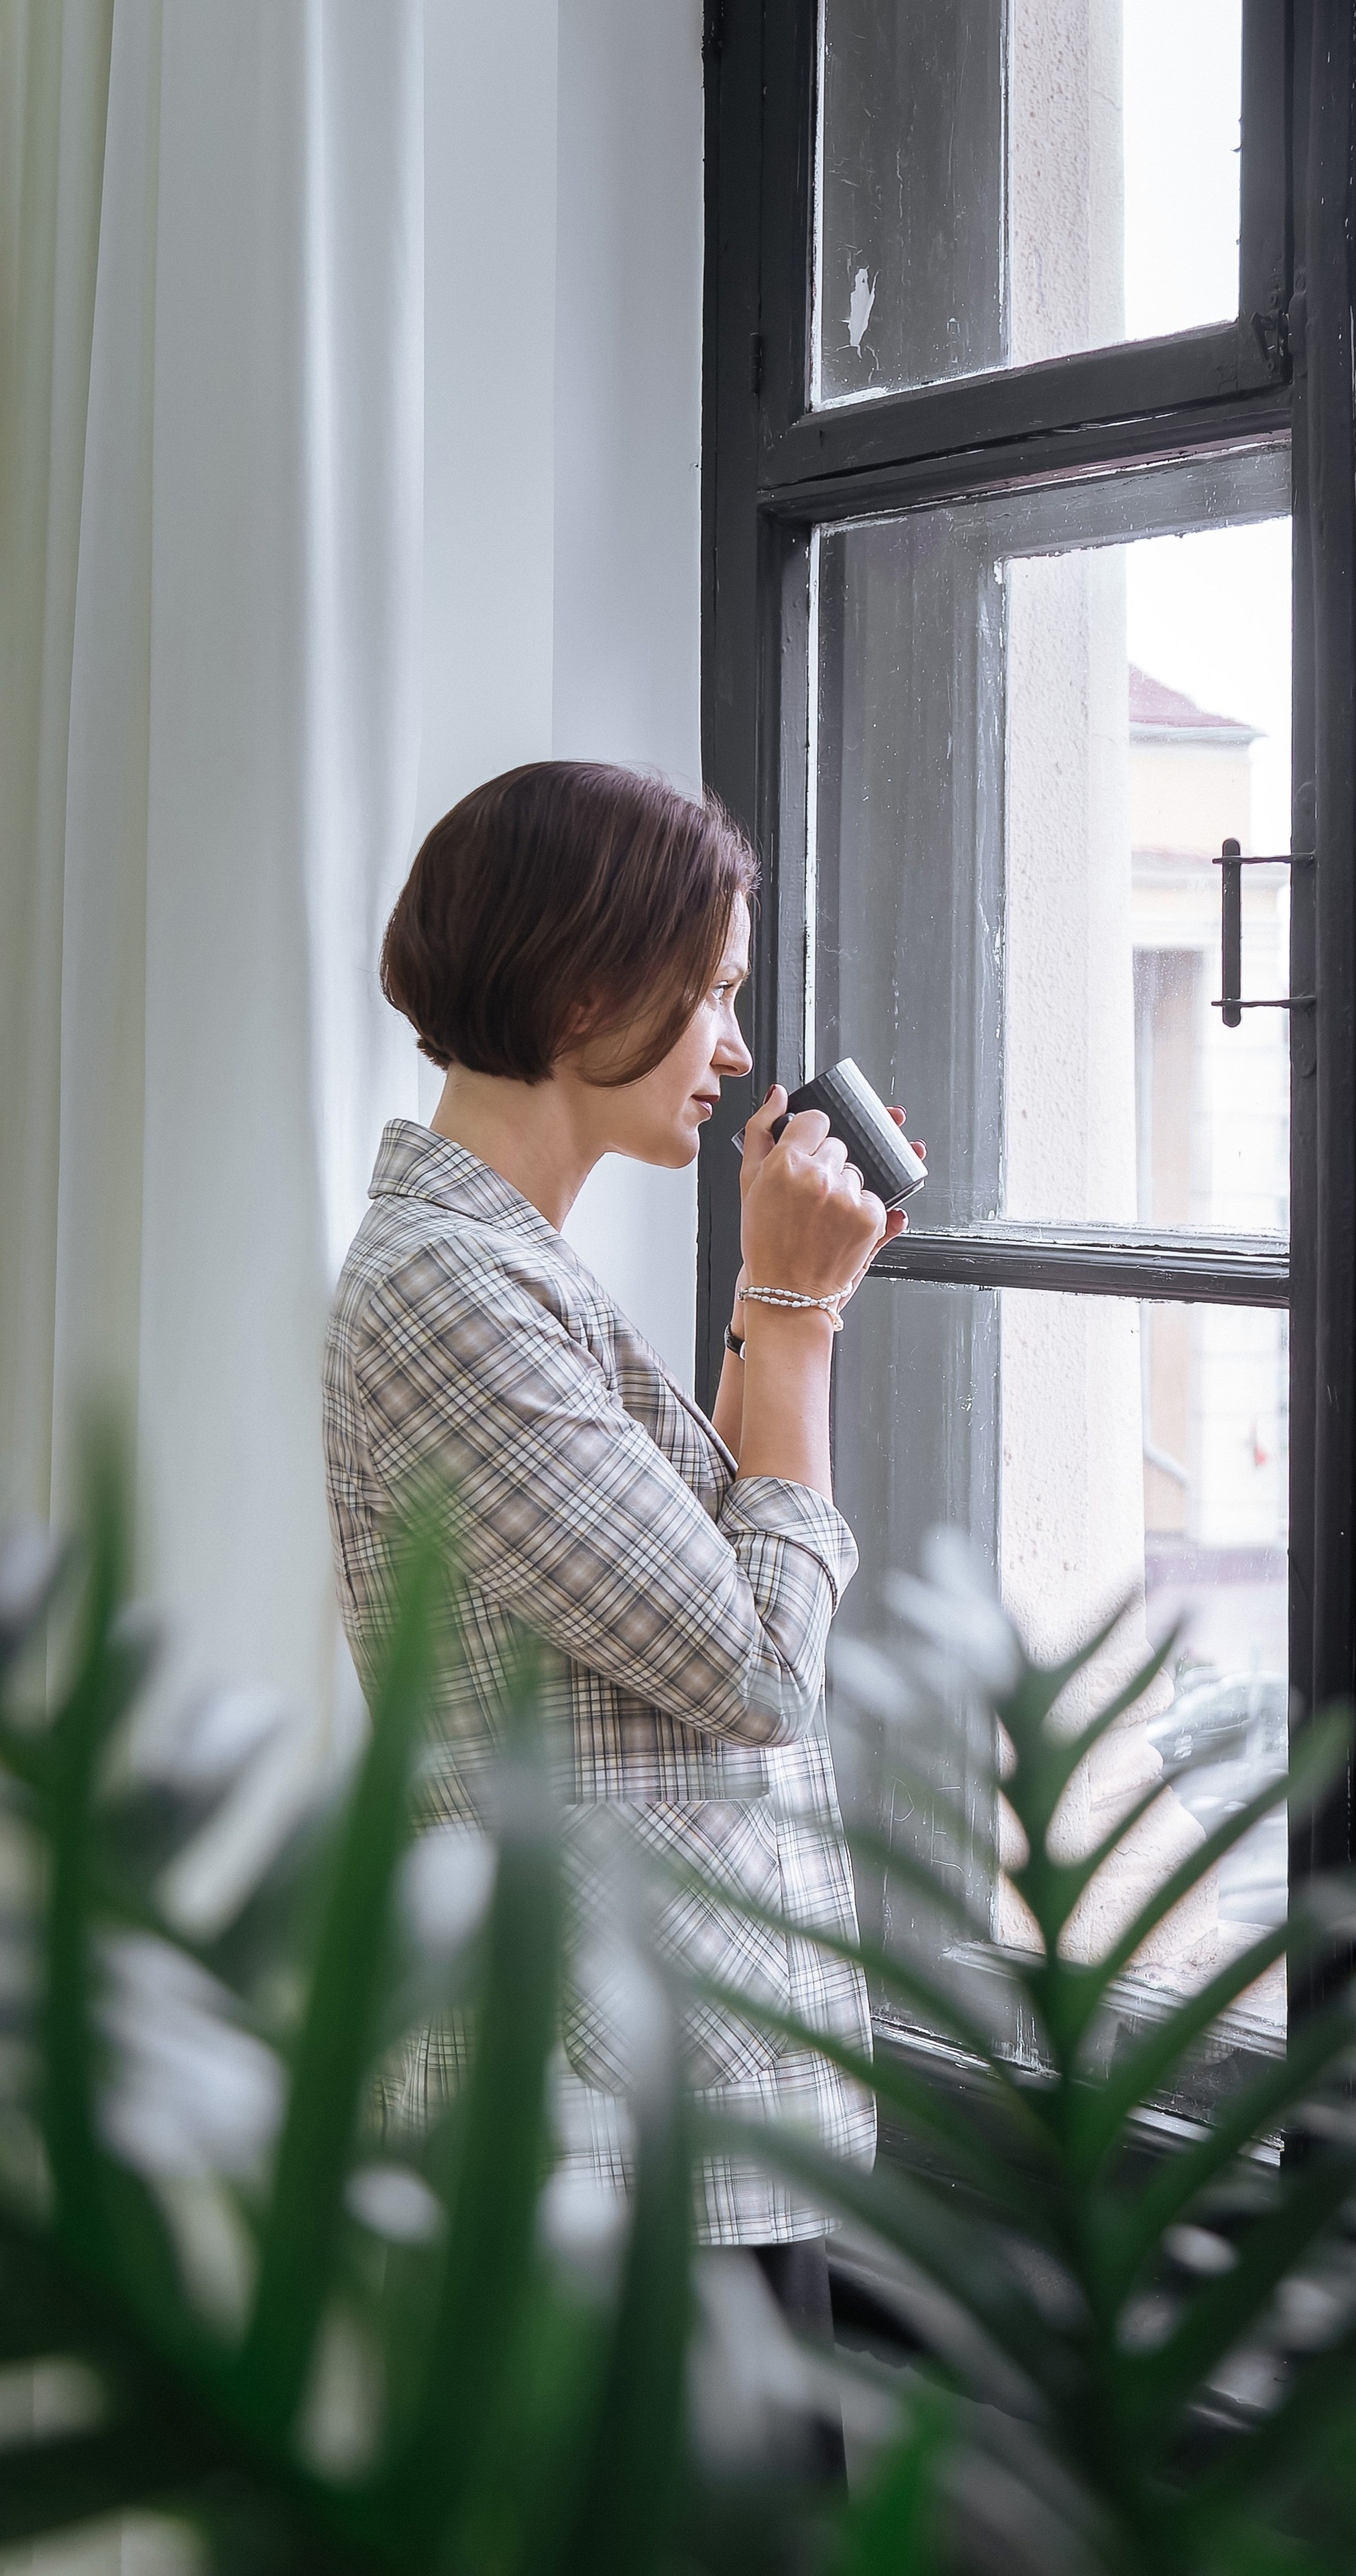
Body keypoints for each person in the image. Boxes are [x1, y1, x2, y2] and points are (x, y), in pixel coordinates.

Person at [322, 759, 920, 2363]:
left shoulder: (509, 1271)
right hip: (590, 2151)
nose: (733, 1047)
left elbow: (691, 1588)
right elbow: (753, 1673)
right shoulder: (447, 1293)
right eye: (712, 991)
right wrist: (788, 1318)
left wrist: (790, 1301)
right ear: (590, 987)